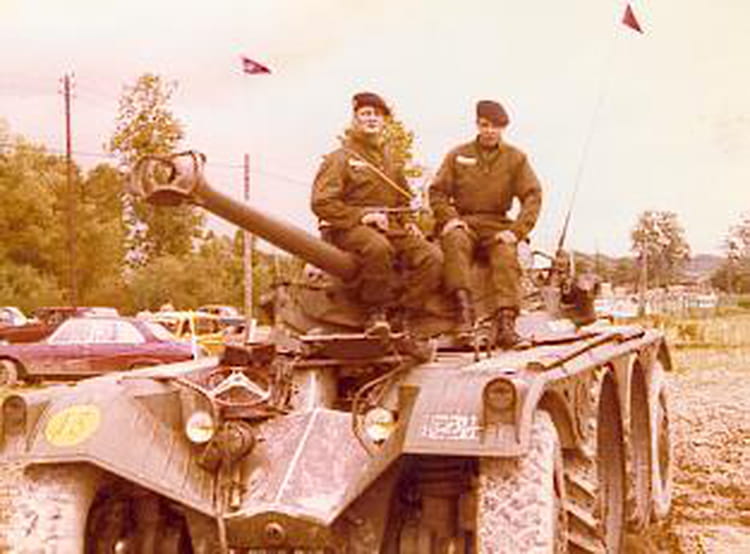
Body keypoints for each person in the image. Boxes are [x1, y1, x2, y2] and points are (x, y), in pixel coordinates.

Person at [312, 92, 443, 336]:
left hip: (389, 227)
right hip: (347, 229)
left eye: (377, 115)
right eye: (366, 114)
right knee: (378, 248)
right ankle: (376, 313)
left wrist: (408, 221)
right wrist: (362, 216)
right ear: (355, 119)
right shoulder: (340, 158)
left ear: (384, 121)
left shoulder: (390, 161)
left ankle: (404, 314)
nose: (372, 119)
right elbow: (322, 203)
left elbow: (402, 198)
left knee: (431, 256)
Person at [429, 100, 542, 347]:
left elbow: (533, 195)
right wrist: (449, 219)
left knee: (505, 254)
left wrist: (516, 232)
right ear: (477, 125)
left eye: (496, 126)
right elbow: (437, 192)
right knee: (454, 241)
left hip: (497, 223)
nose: (490, 131)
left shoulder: (516, 158)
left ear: (503, 128)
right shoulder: (458, 155)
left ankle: (506, 323)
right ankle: (463, 314)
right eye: (485, 125)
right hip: (465, 221)